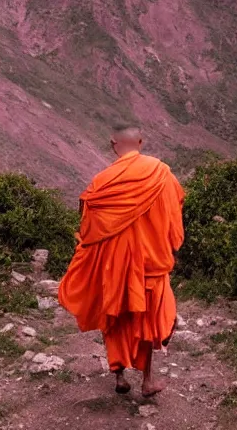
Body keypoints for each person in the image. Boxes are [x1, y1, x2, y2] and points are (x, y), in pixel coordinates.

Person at [57, 126, 185, 398]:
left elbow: (88, 229)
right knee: (149, 319)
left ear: (112, 144)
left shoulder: (102, 182)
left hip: (113, 265)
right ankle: (147, 380)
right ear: (140, 142)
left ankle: (119, 377)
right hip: (151, 263)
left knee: (113, 317)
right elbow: (176, 207)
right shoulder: (161, 173)